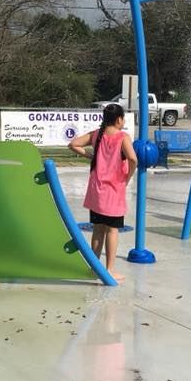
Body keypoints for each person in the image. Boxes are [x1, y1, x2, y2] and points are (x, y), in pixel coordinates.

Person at [68, 103, 137, 281]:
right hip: (113, 191)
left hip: (97, 190)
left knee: (98, 229)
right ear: (119, 119)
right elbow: (132, 158)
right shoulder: (123, 137)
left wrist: (90, 156)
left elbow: (73, 144)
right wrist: (127, 176)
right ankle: (109, 270)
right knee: (112, 230)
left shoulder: (96, 134)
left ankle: (94, 267)